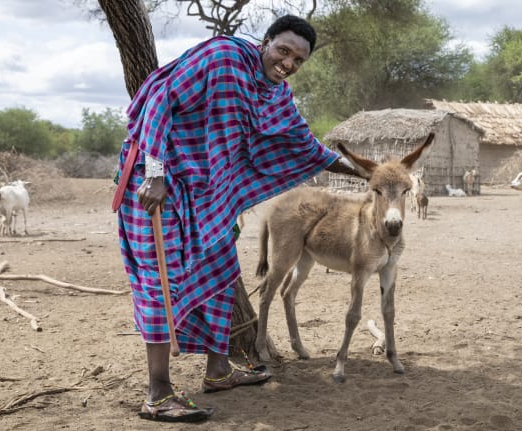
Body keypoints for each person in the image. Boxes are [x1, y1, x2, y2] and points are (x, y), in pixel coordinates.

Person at [114, 15, 362, 423]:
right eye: (283, 51)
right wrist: (154, 172)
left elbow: (305, 145)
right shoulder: (223, 57)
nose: (288, 63)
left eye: (298, 59)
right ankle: (157, 393)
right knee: (160, 283)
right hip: (157, 184)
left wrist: (365, 172)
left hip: (207, 195)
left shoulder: (277, 96)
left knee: (220, 273)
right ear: (266, 41)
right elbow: (159, 99)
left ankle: (218, 371)